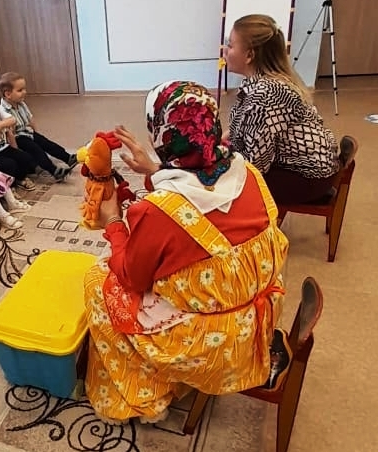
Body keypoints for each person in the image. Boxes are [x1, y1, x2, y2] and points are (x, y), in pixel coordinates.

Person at [83, 81, 289, 425]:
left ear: (161, 135)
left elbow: (132, 276)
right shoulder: (249, 172)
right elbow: (205, 196)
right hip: (257, 323)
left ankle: (142, 398)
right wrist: (156, 170)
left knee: (100, 281)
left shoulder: (158, 211)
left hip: (210, 348)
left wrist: (114, 221)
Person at [224, 13, 352, 205]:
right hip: (312, 168)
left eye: (231, 45)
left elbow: (256, 165)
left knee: (223, 184)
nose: (225, 50)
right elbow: (244, 127)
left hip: (306, 178)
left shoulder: (265, 94)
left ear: (249, 55)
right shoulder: (264, 82)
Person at [0, 72, 77, 181]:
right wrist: (16, 150)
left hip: (28, 132)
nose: (24, 92)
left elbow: (30, 118)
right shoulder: (2, 111)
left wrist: (36, 134)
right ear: (8, 94)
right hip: (18, 138)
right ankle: (54, 171)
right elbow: (9, 133)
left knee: (46, 143)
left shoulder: (21, 103)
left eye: (24, 89)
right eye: (20, 90)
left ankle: (67, 158)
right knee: (37, 150)